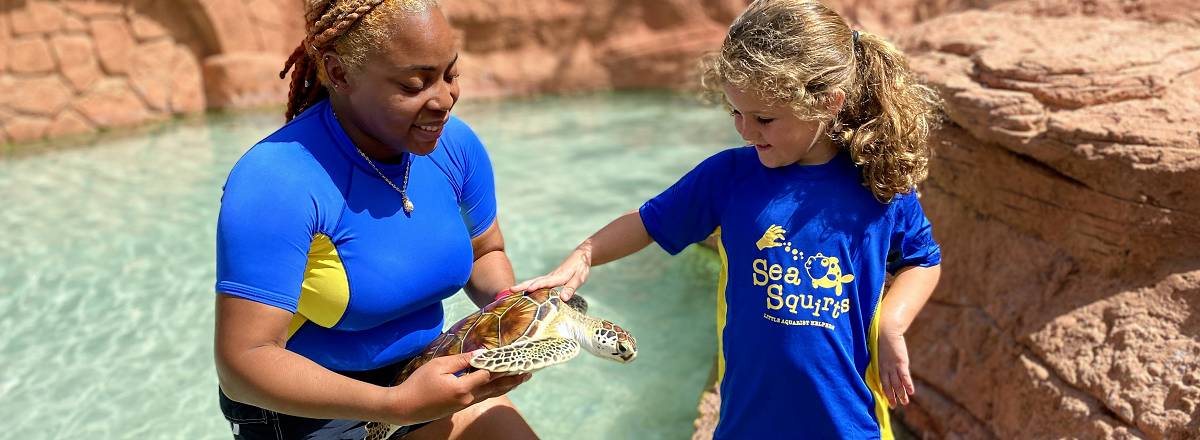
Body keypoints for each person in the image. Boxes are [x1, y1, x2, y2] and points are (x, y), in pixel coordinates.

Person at [512, 0, 943, 438]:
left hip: (848, 424)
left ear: (828, 103)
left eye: (764, 118)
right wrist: (585, 254)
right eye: (735, 112)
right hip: (747, 424)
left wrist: (892, 323)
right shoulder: (729, 177)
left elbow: (923, 260)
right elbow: (646, 221)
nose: (744, 130)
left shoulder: (877, 183)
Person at [213, 1, 538, 439]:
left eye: (450, 74)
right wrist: (395, 405)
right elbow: (243, 361)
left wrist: (512, 310)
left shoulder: (454, 147)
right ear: (340, 73)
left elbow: (486, 251)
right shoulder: (276, 180)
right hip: (307, 408)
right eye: (414, 83)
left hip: (426, 373)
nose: (443, 100)